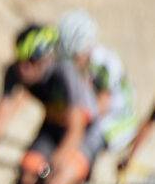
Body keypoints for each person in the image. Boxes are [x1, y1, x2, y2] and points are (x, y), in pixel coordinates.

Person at [0, 24, 98, 184]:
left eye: (31, 61)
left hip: (85, 131)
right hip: (52, 127)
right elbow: (1, 113)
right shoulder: (15, 73)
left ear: (46, 59)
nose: (23, 68)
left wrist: (57, 160)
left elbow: (77, 127)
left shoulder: (64, 74)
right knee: (26, 176)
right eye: (20, 60)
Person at [56, 9, 138, 171]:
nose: (72, 62)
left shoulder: (105, 63)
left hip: (115, 122)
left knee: (74, 154)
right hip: (93, 116)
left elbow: (101, 106)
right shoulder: (75, 62)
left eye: (75, 56)